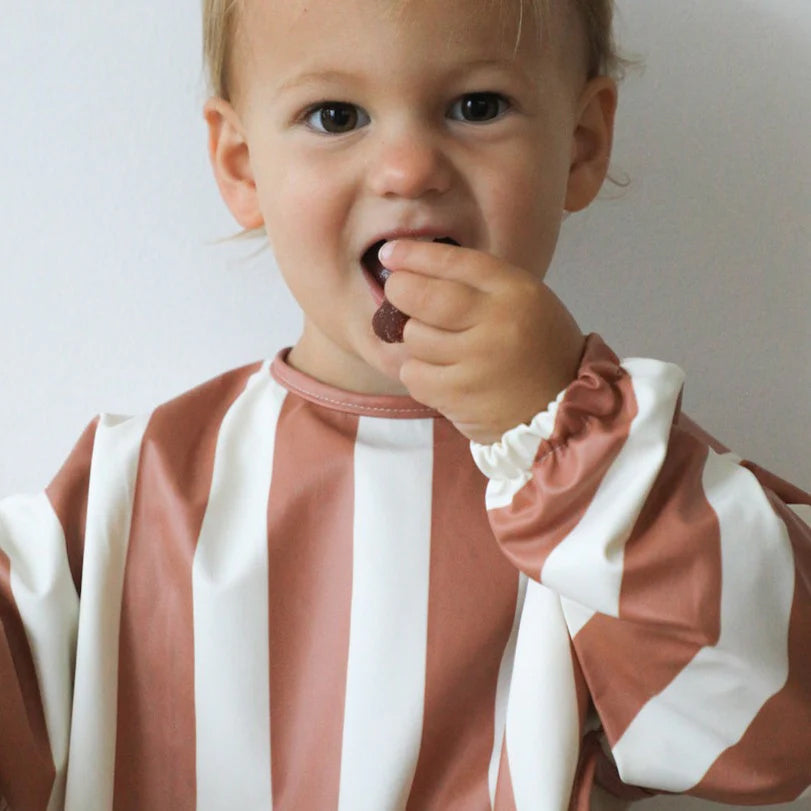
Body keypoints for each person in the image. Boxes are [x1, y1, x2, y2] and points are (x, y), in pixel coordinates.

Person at [1, 0, 809, 808]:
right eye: (335, 115)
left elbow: (774, 729)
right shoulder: (127, 492)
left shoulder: (614, 483)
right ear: (243, 166)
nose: (407, 168)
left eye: (476, 107)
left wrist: (567, 434)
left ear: (582, 144)